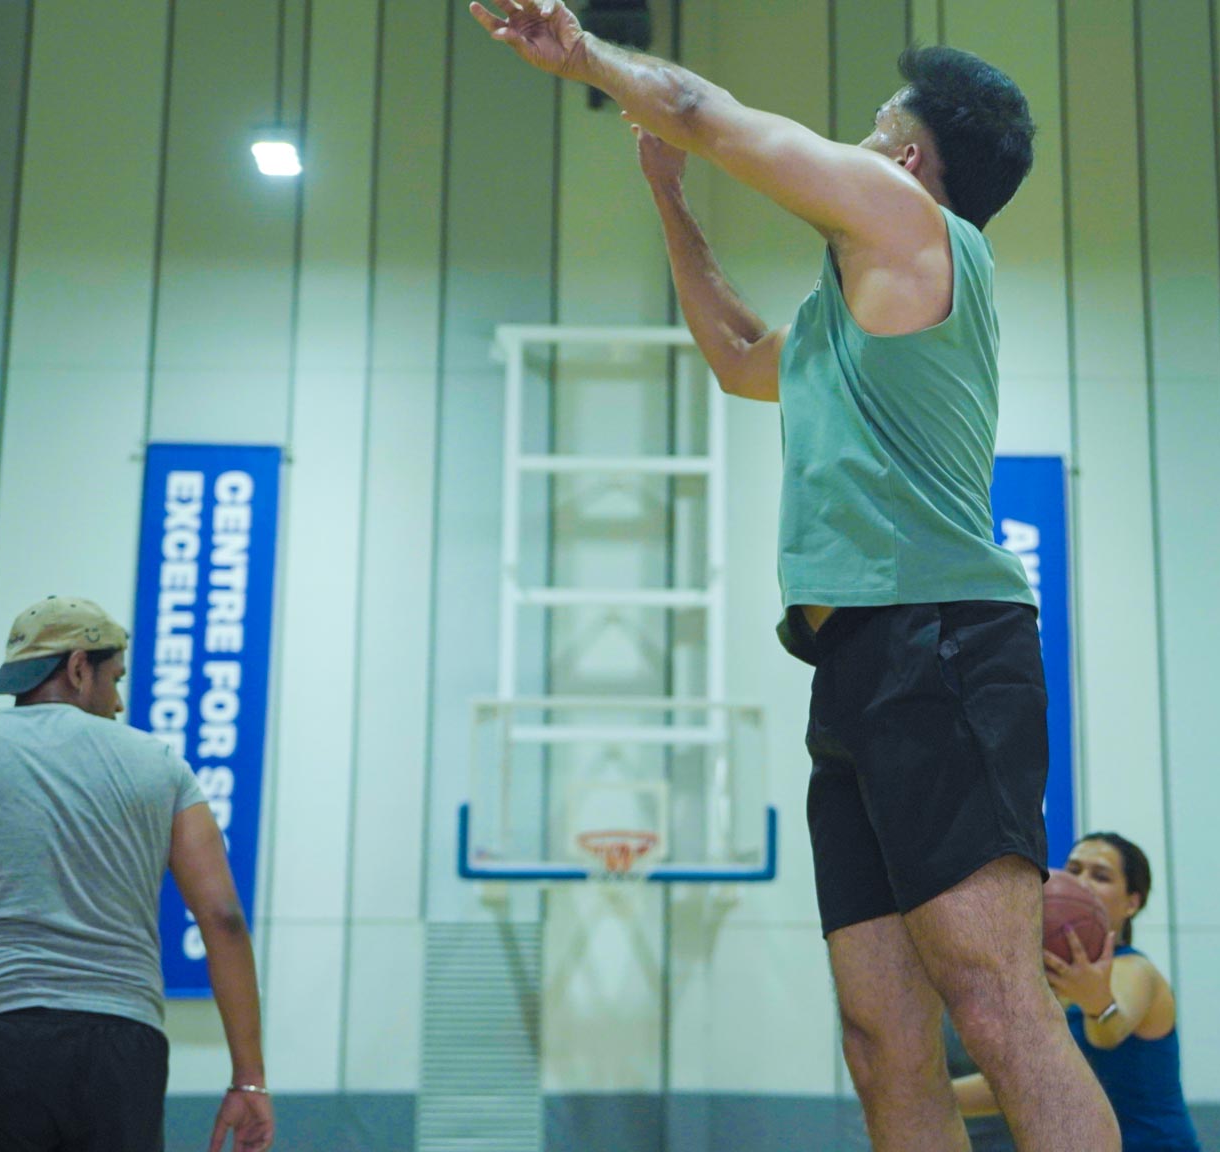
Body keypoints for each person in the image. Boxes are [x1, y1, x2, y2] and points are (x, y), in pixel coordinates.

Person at [472, 4, 1117, 1149]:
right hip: (855, 664)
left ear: (908, 157)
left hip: (944, 644)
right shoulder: (846, 320)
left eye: (868, 127)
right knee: (880, 1042)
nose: (848, 143)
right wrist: (670, 201)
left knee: (995, 1005)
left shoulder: (912, 222)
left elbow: (697, 107)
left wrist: (583, 58)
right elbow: (731, 355)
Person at [0, 596, 274, 1152]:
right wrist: (248, 1078)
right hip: (119, 1046)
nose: (118, 701)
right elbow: (222, 919)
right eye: (114, 678)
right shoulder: (159, 764)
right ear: (79, 668)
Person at [952, 834, 1201, 1151]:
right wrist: (924, 1093)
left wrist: (1098, 1005)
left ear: (1132, 902)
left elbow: (1109, 1033)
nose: (1082, 881)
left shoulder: (1136, 971)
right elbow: (1027, 1085)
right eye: (1074, 869)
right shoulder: (1053, 983)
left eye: (1100, 875)